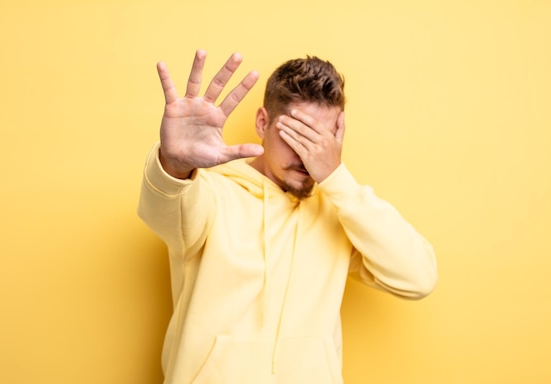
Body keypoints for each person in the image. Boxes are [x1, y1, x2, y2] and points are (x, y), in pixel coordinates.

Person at [138, 50, 437, 384]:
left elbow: (418, 278)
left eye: (321, 141)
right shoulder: (212, 194)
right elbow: (162, 211)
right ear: (263, 122)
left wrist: (337, 177)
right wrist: (175, 165)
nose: (307, 156)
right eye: (296, 136)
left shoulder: (341, 211)